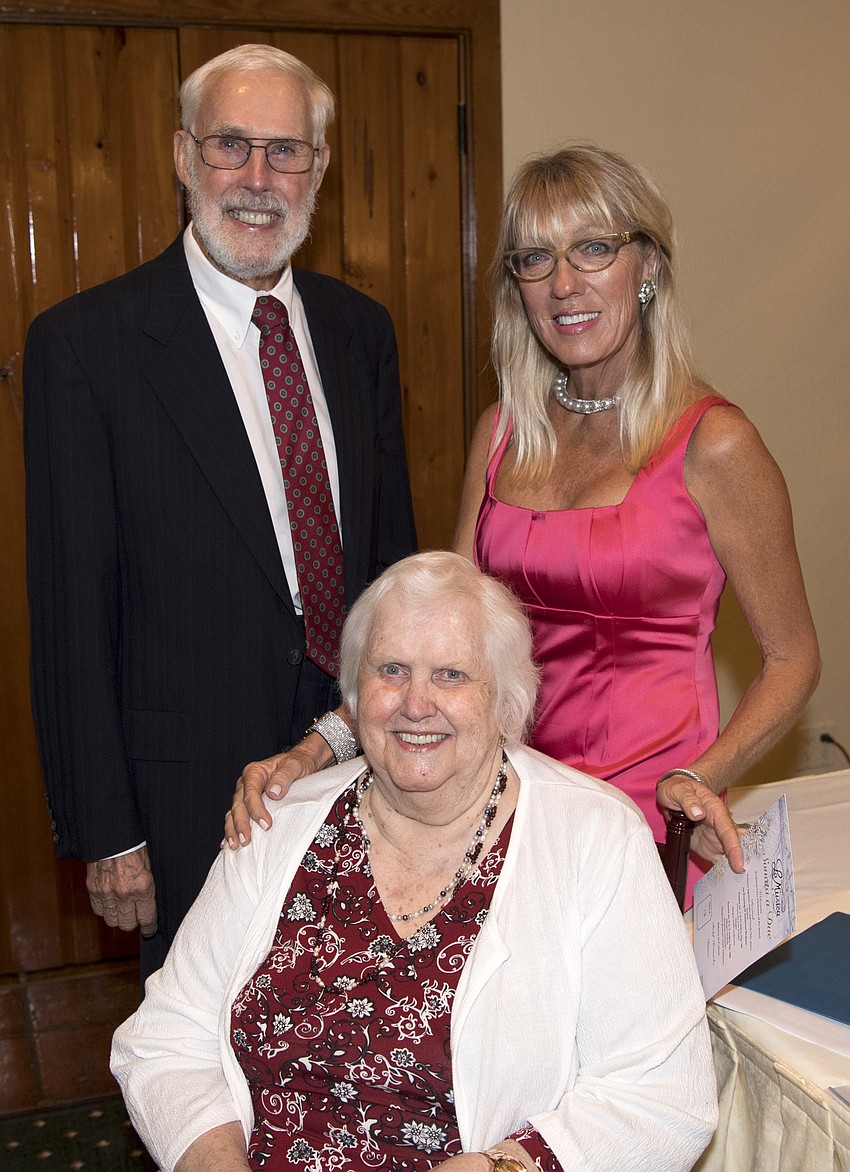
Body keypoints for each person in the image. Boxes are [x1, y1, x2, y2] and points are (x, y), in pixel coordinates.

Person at [111, 552, 717, 1172]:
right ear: (354, 692)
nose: (416, 704)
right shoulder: (280, 820)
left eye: (451, 674)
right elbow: (164, 1039)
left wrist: (504, 1166)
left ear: (507, 702)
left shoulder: (595, 836)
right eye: (391, 671)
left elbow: (665, 1098)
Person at [24, 43, 416, 976]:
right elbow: (70, 613)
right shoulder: (86, 348)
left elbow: (393, 565)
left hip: (359, 766)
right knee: (201, 1068)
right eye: (229, 145)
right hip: (181, 796)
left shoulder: (361, 331)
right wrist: (108, 830)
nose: (256, 178)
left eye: (286, 151)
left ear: (319, 167)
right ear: (180, 155)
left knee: (358, 1037)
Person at [451, 144, 820, 900]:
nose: (563, 284)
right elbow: (454, 636)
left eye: (593, 250)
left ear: (647, 267)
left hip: (647, 825)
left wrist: (701, 776)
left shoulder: (715, 443)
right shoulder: (499, 434)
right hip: (503, 815)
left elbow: (792, 659)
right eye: (535, 258)